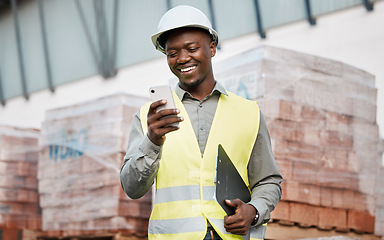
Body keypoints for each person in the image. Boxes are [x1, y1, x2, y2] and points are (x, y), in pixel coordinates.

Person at [120, 5, 282, 240]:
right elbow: (132, 188)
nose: (183, 58)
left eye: (192, 48)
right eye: (172, 53)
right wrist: (152, 141)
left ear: (212, 48)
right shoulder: (149, 117)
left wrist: (254, 211)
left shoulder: (249, 113)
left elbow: (268, 181)